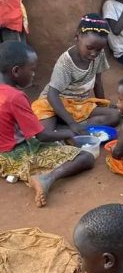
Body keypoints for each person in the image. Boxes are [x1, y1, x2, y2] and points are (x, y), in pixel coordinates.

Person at [0, 41, 94, 207]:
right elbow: (42, 136)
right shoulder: (15, 97)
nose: (34, 74)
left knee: (58, 137)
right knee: (85, 157)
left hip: (5, 145)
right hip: (11, 154)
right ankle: (46, 178)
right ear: (16, 71)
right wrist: (73, 132)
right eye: (32, 69)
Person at [31, 14, 121, 134]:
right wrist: (72, 123)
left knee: (115, 116)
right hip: (54, 103)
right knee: (44, 132)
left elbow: (98, 81)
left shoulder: (99, 54)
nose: (94, 53)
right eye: (89, 47)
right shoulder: (66, 63)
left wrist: (102, 105)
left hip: (79, 105)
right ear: (77, 37)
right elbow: (52, 95)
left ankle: (67, 128)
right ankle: (71, 125)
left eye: (98, 50)